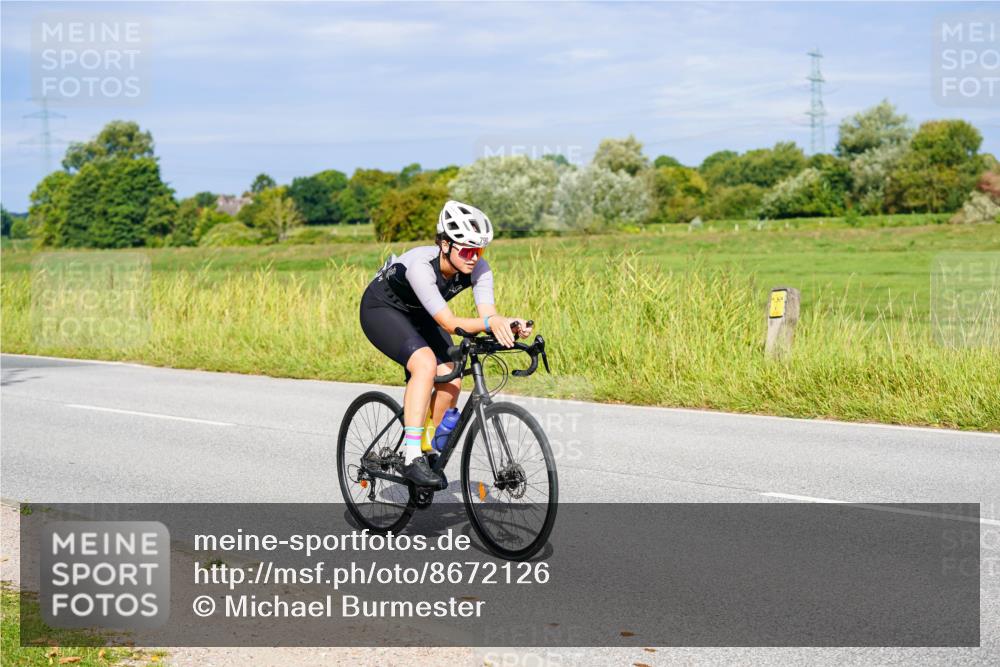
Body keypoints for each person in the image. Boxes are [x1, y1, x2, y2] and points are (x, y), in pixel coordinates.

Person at [359, 200, 533, 486]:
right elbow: (449, 323)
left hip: (422, 314)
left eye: (478, 250)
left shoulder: (479, 269)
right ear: (444, 244)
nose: (473, 258)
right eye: (466, 250)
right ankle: (411, 456)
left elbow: (487, 315)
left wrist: (508, 326)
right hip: (382, 309)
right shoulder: (421, 267)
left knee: (452, 377)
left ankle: (425, 446)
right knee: (425, 365)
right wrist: (492, 323)